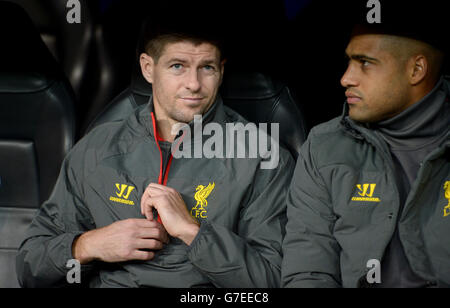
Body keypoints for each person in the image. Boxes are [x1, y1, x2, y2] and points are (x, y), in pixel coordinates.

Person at [16, 13, 294, 287]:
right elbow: (31, 266)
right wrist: (88, 245)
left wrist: (193, 233)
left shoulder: (263, 158)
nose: (194, 84)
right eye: (177, 66)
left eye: (207, 67)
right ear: (148, 68)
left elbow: (272, 280)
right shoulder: (97, 148)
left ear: (221, 70)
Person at [281, 7, 450, 287]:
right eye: (349, 61)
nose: (345, 78)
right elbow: (307, 272)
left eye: (365, 63)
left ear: (416, 69)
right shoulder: (323, 146)